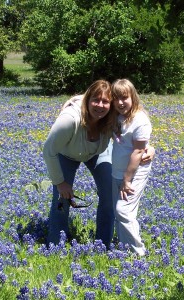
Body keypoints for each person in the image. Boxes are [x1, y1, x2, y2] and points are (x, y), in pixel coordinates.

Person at [42, 80, 153, 248]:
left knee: (109, 193)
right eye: (95, 100)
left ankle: (103, 244)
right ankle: (55, 244)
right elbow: (48, 151)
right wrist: (60, 182)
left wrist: (149, 148)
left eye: (106, 102)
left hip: (97, 153)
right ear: (87, 100)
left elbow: (135, 136)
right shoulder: (69, 119)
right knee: (61, 198)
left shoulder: (111, 116)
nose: (100, 106)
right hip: (66, 154)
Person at [111, 79, 152, 256]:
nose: (120, 102)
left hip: (134, 173)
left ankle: (138, 253)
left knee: (123, 210)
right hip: (117, 170)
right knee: (119, 213)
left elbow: (137, 151)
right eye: (116, 98)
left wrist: (127, 180)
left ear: (133, 97)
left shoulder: (140, 120)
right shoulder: (115, 116)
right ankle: (124, 248)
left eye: (124, 98)